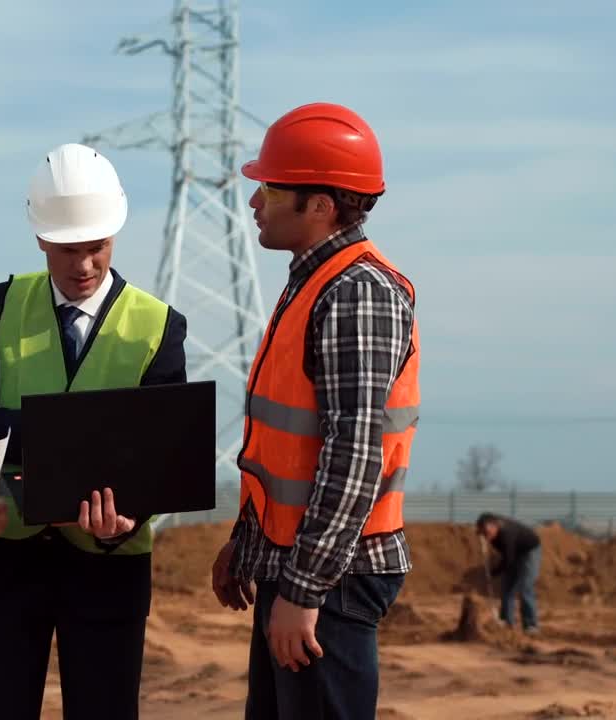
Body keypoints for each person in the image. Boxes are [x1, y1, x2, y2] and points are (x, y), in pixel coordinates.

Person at [0, 143, 188, 720]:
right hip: (10, 563)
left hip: (109, 566)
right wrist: (49, 439)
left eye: (96, 248)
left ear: (115, 236)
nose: (84, 267)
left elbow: (162, 455)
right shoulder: (3, 305)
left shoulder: (158, 327)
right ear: (41, 239)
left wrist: (123, 522)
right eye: (68, 250)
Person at [209, 102, 421, 720]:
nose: (254, 202)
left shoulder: (357, 293)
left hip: (333, 578)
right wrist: (246, 543)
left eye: (270, 189)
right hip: (304, 565)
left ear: (322, 205)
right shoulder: (316, 280)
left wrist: (303, 591)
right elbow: (288, 450)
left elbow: (354, 457)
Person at [476, 512, 542, 633]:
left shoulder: (507, 534)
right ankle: (506, 623)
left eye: (486, 533)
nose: (485, 537)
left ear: (494, 526)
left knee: (525, 588)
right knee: (507, 589)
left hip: (529, 551)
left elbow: (508, 560)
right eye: (482, 534)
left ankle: (531, 625)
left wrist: (493, 573)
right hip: (514, 552)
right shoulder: (491, 534)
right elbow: (508, 557)